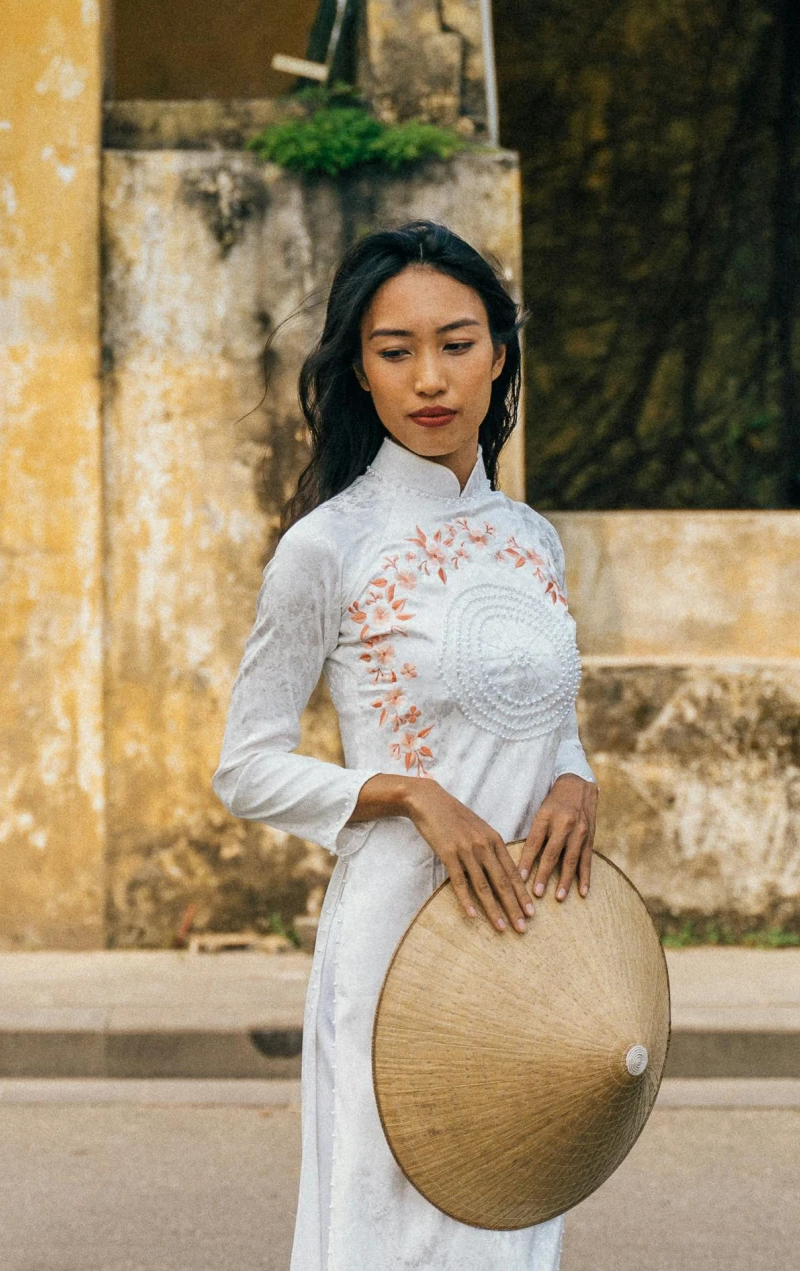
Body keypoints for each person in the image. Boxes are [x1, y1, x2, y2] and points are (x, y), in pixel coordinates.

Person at [215, 221, 597, 1271]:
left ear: (499, 353)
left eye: (456, 342)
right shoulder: (326, 547)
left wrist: (574, 779)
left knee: (511, 1217)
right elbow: (243, 765)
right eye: (394, 351)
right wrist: (408, 795)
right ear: (360, 373)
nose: (429, 377)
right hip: (395, 942)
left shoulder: (530, 538)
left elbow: (545, 712)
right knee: (393, 1236)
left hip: (530, 939)